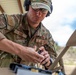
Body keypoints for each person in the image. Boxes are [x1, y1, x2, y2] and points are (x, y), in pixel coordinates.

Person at [0, 0, 65, 74]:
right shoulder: (12, 21)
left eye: (43, 10)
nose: (38, 14)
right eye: (35, 8)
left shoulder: (46, 35)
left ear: (48, 13)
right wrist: (20, 50)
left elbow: (54, 59)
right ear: (28, 6)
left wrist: (48, 61)